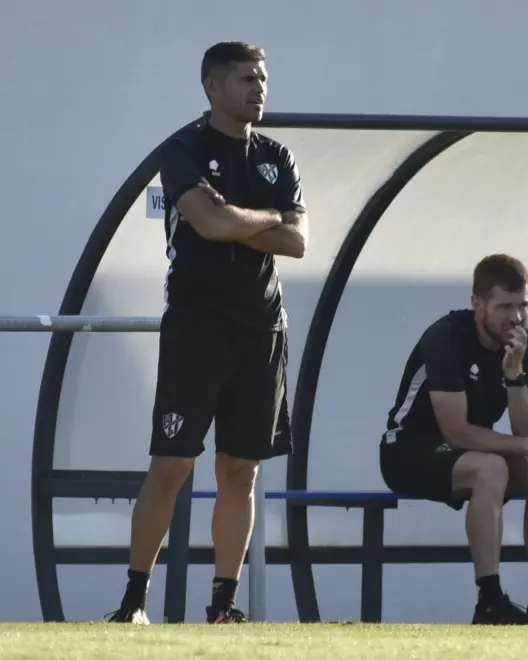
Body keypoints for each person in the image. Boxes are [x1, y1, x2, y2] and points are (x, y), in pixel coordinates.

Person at [106, 41, 308, 624]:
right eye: (247, 78)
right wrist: (266, 219)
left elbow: (297, 242)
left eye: (264, 78)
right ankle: (133, 603)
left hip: (263, 330)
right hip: (197, 329)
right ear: (212, 87)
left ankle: (223, 605)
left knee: (239, 471)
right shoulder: (183, 149)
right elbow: (209, 222)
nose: (259, 88)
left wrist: (246, 222)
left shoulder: (278, 157)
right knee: (171, 465)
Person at [379, 254, 528, 625]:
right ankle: (490, 602)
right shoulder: (446, 338)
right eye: (505, 306)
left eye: (523, 306)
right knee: (490, 468)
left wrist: (515, 376)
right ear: (477, 304)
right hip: (409, 447)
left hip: (470, 449)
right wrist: (525, 447)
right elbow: (455, 430)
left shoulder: (526, 349)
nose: (516, 318)